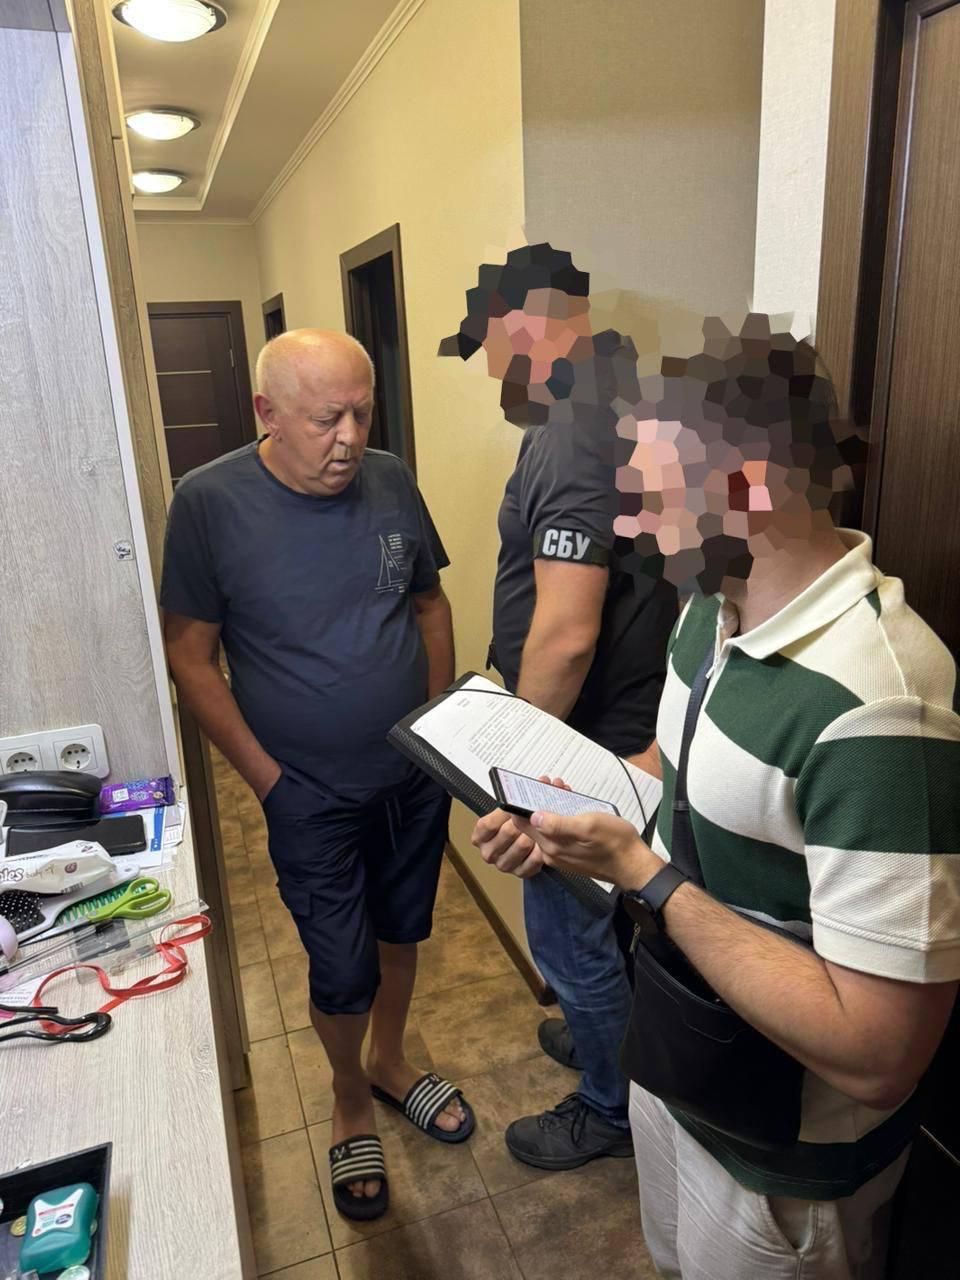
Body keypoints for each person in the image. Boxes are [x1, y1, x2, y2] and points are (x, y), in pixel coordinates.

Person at [473, 315, 960, 1278]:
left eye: (652, 497)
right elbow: (673, 763)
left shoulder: (884, 710)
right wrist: (568, 817)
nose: (631, 526)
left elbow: (878, 1055)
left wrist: (643, 876)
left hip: (785, 1163)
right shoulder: (710, 611)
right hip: (681, 1074)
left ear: (746, 488)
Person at [161, 329, 474, 1225]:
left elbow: (430, 603)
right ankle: (348, 1098)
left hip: (410, 775)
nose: (349, 439)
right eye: (326, 418)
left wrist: (435, 725)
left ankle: (390, 1062)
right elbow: (190, 657)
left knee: (402, 930)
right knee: (340, 966)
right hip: (306, 794)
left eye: (362, 415)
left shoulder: (391, 479)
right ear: (266, 411)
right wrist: (269, 781)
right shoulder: (209, 502)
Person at [441, 244, 677, 1169]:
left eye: (492, 346)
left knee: (569, 935)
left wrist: (517, 778)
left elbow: (568, 632)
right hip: (620, 728)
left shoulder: (576, 425)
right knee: (603, 930)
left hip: (588, 744)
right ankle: (602, 1041)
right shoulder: (614, 402)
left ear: (526, 322)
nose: (492, 371)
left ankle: (612, 1108)